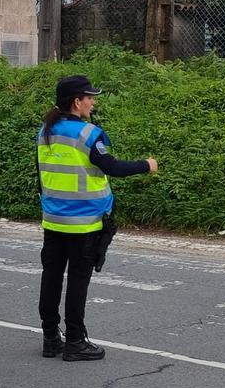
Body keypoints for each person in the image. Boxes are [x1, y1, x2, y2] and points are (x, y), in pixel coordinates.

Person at [37, 75, 157, 361]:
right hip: (84, 223)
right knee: (78, 282)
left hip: (53, 219)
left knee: (51, 277)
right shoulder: (87, 134)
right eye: (89, 98)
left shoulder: (46, 131)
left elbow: (40, 174)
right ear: (76, 101)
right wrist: (146, 165)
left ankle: (51, 338)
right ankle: (75, 341)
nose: (93, 102)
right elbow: (111, 167)